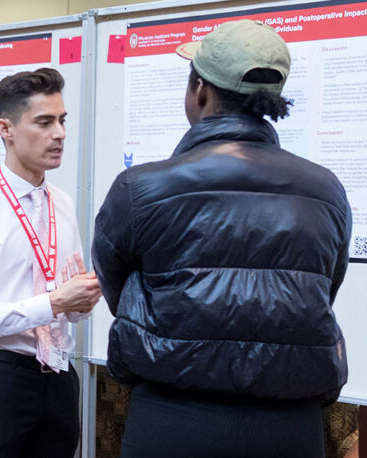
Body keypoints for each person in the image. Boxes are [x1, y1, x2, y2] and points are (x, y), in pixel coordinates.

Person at [93, 20, 349, 458]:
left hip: (171, 419)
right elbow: (326, 286)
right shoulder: (326, 190)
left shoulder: (141, 187)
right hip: (291, 426)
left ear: (200, 89)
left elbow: (115, 284)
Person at [0, 67, 99, 458]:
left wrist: (79, 303)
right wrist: (55, 302)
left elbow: (67, 307)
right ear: (5, 129)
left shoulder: (61, 203)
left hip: (60, 376)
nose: (59, 133)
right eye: (44, 122)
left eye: (62, 121)